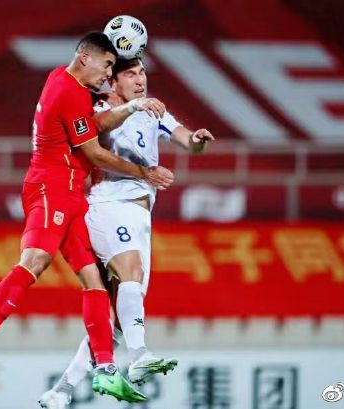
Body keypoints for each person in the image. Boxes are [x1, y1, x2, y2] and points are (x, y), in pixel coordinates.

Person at [0, 32, 175, 404]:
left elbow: (95, 126)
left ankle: (105, 369)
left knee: (94, 282)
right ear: (85, 58)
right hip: (50, 189)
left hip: (75, 196)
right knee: (35, 260)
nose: (109, 74)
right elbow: (93, 151)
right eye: (107, 65)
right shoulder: (69, 92)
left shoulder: (66, 79)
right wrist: (143, 173)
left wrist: (131, 108)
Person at [39, 56, 214, 408]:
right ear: (112, 82)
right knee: (130, 272)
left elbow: (186, 141)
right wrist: (143, 171)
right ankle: (139, 356)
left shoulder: (155, 112)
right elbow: (95, 151)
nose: (140, 80)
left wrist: (196, 140)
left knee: (119, 318)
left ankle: (62, 391)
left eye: (142, 73)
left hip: (140, 216)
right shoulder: (98, 111)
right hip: (106, 206)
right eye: (130, 74)